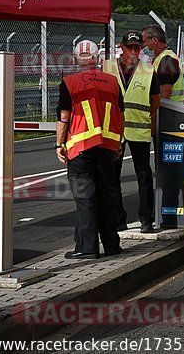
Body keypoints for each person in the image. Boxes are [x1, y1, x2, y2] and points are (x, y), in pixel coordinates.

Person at [55, 40, 124, 259]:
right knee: (106, 196)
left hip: (81, 148)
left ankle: (87, 248)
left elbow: (64, 117)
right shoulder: (112, 81)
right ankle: (112, 245)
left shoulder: (69, 82)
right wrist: (118, 144)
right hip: (107, 146)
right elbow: (120, 116)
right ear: (97, 58)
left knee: (85, 198)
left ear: (76, 58)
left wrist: (59, 144)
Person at [104, 31, 161, 234]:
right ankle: (118, 219)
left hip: (139, 130)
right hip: (114, 132)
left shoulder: (147, 70)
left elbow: (155, 100)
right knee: (112, 177)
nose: (134, 51)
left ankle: (146, 219)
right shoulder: (107, 68)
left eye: (137, 47)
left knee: (144, 175)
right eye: (130, 47)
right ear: (122, 47)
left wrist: (151, 120)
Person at [141, 24, 184, 102]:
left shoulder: (167, 61)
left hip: (171, 111)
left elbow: (163, 98)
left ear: (154, 40)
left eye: (144, 41)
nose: (143, 45)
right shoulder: (161, 58)